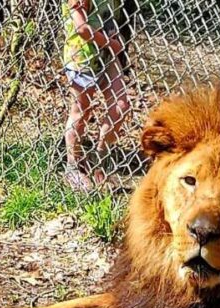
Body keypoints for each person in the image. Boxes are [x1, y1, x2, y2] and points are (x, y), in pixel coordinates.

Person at [61, 0, 132, 191]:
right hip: (82, 57)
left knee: (121, 106)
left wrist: (114, 40)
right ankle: (72, 167)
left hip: (107, 55)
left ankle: (99, 162)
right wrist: (112, 43)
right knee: (81, 113)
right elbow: (82, 28)